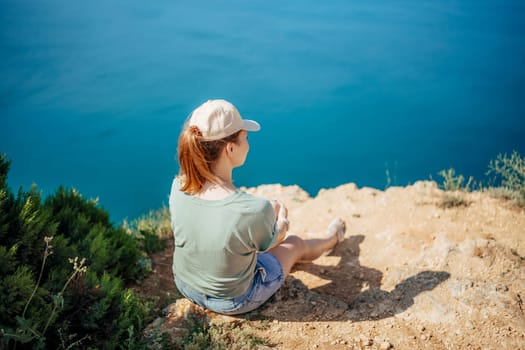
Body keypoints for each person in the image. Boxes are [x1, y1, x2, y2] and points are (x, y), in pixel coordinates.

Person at [169, 99, 346, 315]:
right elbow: (272, 241)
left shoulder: (179, 184)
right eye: (246, 137)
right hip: (233, 300)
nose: (249, 144)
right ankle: (334, 237)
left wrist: (259, 215)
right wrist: (280, 221)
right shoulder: (252, 209)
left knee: (243, 242)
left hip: (185, 284)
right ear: (230, 148)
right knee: (295, 244)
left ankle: (332, 237)